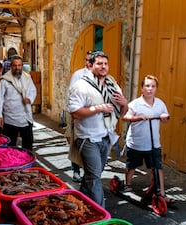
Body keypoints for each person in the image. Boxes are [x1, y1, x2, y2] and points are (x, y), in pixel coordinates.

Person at [66, 51, 128, 208]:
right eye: (99, 63)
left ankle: (79, 203)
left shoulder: (112, 84)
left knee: (92, 175)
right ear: (90, 65)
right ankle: (101, 215)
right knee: (94, 178)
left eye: (105, 63)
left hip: (106, 136)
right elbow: (75, 113)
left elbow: (122, 113)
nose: (103, 66)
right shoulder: (81, 85)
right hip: (88, 138)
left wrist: (125, 103)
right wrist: (98, 108)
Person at [122, 75, 175, 203]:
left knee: (157, 168)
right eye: (147, 86)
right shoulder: (135, 104)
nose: (150, 89)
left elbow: (165, 118)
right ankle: (127, 184)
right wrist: (138, 118)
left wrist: (165, 117)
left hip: (153, 144)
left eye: (153, 86)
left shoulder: (160, 104)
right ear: (142, 88)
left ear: (156, 88)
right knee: (131, 166)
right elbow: (125, 117)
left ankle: (161, 194)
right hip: (136, 143)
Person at [0, 55, 36, 151]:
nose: (17, 68)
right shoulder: (5, 80)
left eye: (19, 65)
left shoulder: (27, 77)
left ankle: (27, 164)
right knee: (10, 147)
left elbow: (33, 90)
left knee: (28, 146)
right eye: (15, 65)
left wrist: (29, 98)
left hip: (25, 118)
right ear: (10, 66)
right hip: (10, 119)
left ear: (22, 66)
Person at [65, 50, 94, 183]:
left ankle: (88, 172)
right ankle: (76, 170)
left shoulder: (98, 75)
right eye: (87, 60)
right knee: (75, 143)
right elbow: (71, 95)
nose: (88, 63)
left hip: (92, 117)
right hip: (78, 114)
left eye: (91, 60)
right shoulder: (78, 75)